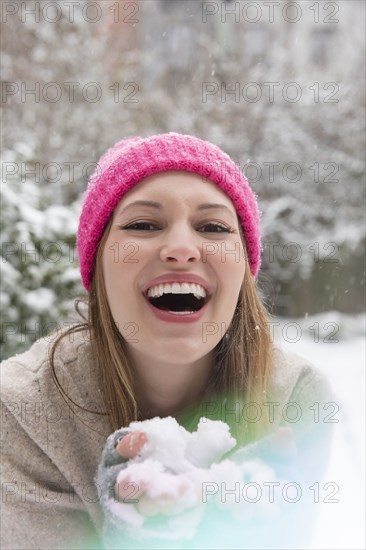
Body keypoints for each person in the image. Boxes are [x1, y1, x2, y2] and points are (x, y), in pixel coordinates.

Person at [1, 133, 335, 550]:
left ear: (244, 270)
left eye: (213, 227)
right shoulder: (22, 412)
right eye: (143, 224)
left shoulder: (295, 400)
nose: (180, 248)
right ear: (98, 262)